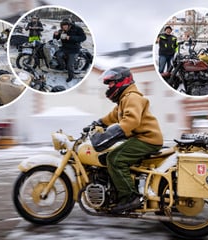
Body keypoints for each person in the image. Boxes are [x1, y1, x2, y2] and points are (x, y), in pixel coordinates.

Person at [90, 67, 163, 213]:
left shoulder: (132, 97)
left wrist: (113, 133)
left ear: (122, 82)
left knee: (115, 159)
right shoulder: (124, 99)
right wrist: (98, 123)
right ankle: (117, 192)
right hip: (141, 138)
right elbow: (112, 117)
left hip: (147, 138)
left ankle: (130, 197)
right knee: (105, 158)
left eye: (111, 83)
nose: (109, 87)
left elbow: (131, 120)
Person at [53, 18, 86, 82]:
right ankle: (62, 66)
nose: (64, 27)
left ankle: (71, 76)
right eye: (63, 25)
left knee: (70, 65)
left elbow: (83, 37)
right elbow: (56, 38)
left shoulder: (77, 29)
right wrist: (55, 35)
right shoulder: (62, 30)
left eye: (66, 25)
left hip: (74, 49)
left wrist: (70, 38)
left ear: (69, 25)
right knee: (58, 55)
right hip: (64, 48)